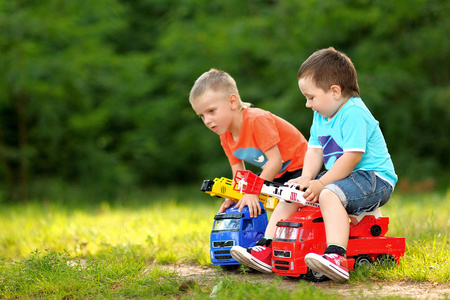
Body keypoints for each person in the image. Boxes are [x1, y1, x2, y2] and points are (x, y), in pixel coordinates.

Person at [289, 47, 398, 281]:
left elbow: (351, 158)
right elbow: (315, 149)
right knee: (296, 192)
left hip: (374, 178)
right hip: (347, 179)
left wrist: (322, 183)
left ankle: (336, 255)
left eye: (311, 97)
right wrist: (308, 178)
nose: (308, 104)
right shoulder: (321, 115)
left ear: (335, 91)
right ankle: (268, 246)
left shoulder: (353, 112)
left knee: (328, 194)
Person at [189, 68, 308, 273]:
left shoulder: (256, 120)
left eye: (211, 111)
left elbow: (275, 161)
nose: (207, 120)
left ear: (232, 102)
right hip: (280, 175)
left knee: (288, 207)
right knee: (268, 207)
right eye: (201, 115)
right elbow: (239, 172)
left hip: (303, 168)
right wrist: (238, 194)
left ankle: (268, 247)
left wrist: (253, 191)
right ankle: (263, 249)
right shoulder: (225, 136)